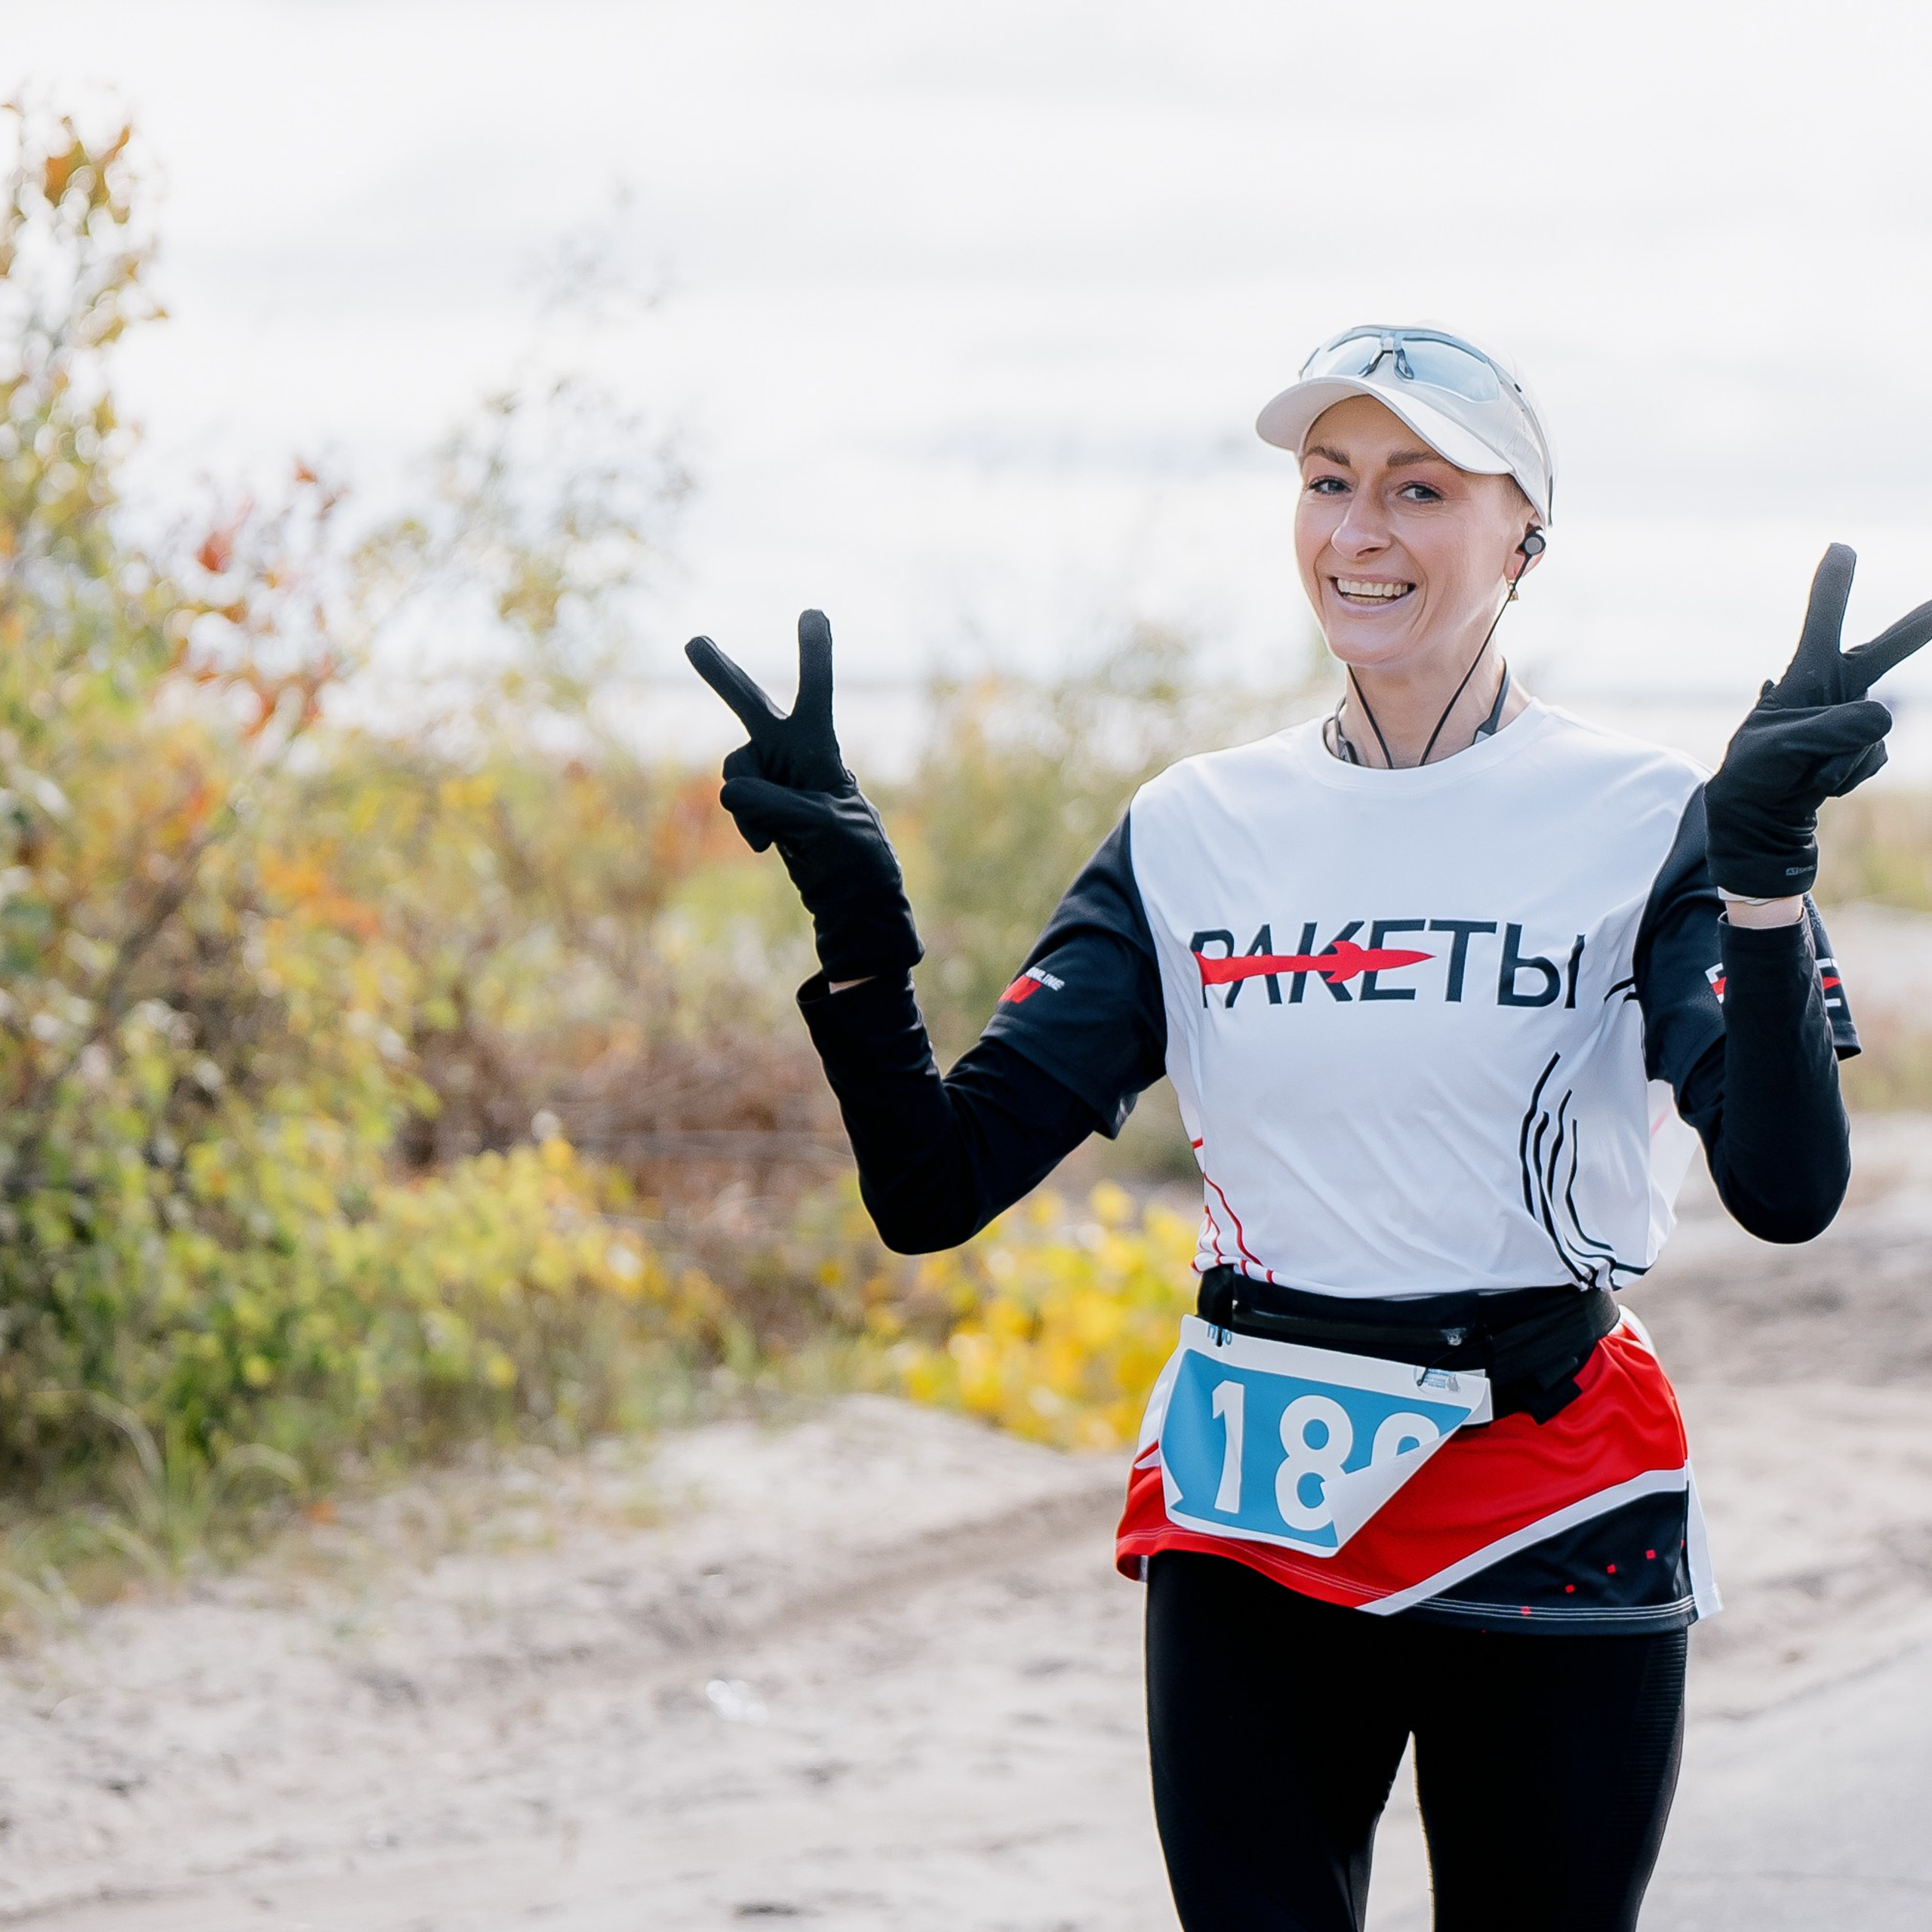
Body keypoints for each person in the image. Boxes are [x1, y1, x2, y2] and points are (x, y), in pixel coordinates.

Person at [686, 323, 1932, 1932]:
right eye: (1327, 482)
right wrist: (858, 933)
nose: (1360, 530)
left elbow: (1782, 1185)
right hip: (1251, 1501)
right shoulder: (1196, 827)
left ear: (1521, 538)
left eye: (1418, 488)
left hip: (1548, 1480)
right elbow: (935, 1185)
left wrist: (1761, 877)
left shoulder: (1644, 818)